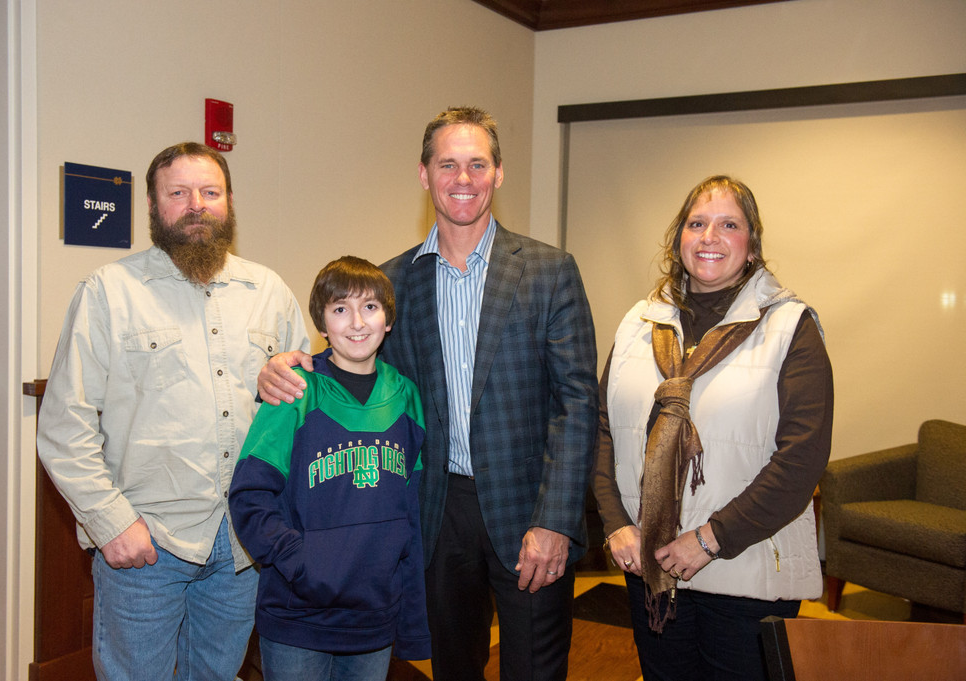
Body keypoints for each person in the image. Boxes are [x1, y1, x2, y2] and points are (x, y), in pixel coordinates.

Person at [259, 107, 599, 681]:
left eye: (476, 164)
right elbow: (354, 359)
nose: (462, 178)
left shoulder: (549, 270)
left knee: (535, 670)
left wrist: (556, 521)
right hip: (435, 514)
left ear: (497, 173)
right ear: (424, 175)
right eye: (448, 164)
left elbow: (578, 403)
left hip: (529, 511)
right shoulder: (394, 282)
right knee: (453, 667)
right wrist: (287, 366)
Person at [36, 142, 310, 681]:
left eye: (210, 192)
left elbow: (299, 413)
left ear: (229, 202)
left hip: (242, 546)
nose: (196, 205)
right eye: (178, 193)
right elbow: (65, 425)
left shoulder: (269, 292)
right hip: (147, 544)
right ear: (152, 205)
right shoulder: (108, 292)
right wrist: (110, 521)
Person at [591, 175, 834, 681]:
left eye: (729, 225)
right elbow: (603, 430)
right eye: (696, 223)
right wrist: (615, 523)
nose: (709, 237)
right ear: (678, 239)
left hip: (746, 573)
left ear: (751, 245)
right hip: (651, 570)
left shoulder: (791, 328)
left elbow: (801, 461)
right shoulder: (638, 324)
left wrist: (707, 540)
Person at [228, 256, 429, 681]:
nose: (357, 322)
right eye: (340, 309)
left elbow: (411, 513)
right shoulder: (295, 390)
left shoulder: (406, 398)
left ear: (388, 318)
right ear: (321, 323)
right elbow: (249, 496)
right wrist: (300, 562)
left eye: (370, 307)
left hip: (373, 616)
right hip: (298, 614)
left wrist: (408, 609)